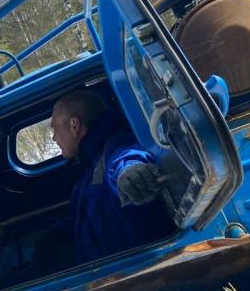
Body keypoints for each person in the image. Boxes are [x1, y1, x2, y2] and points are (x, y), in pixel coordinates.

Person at [49, 90, 172, 263]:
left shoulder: (112, 149)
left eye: (55, 129)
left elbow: (125, 157)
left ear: (74, 126)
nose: (54, 138)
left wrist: (131, 173)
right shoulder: (90, 163)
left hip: (135, 269)